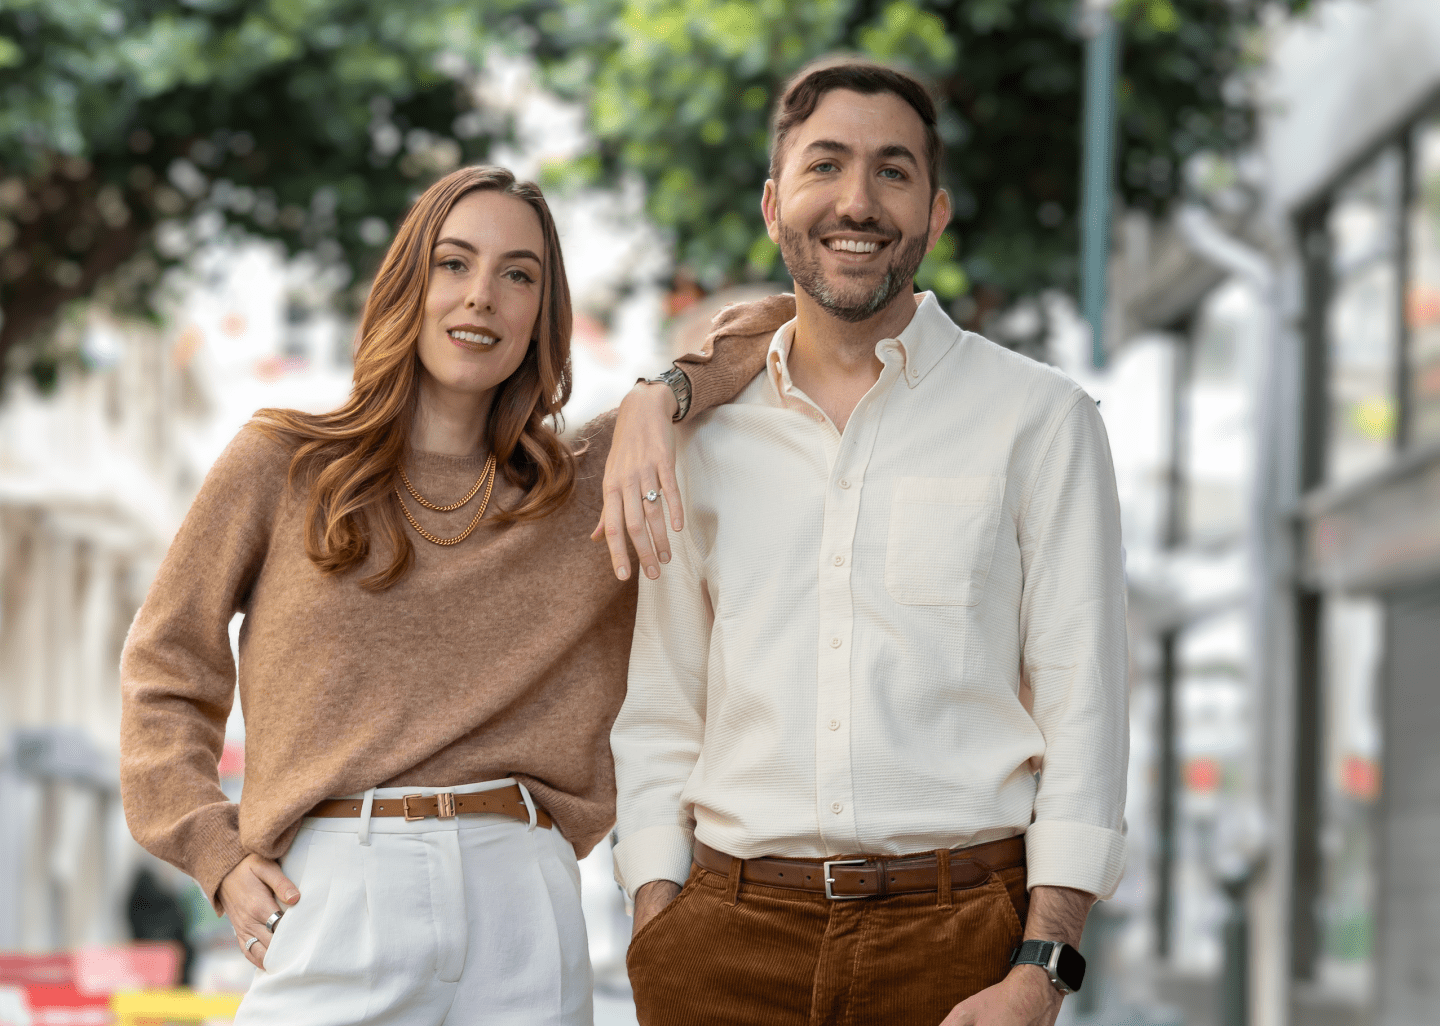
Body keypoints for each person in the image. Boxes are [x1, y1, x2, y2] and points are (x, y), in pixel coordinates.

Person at [119, 165, 767, 1025]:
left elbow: (781, 322)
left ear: (544, 312)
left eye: (518, 275)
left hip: (523, 897)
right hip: (338, 888)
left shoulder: (582, 485)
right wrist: (216, 853)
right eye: (453, 264)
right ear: (408, 284)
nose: (482, 298)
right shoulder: (285, 463)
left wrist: (661, 396)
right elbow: (165, 671)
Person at [611, 58, 1129, 1026]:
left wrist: (1042, 967)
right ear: (775, 206)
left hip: (958, 946)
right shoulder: (700, 441)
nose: (858, 200)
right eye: (826, 167)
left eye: (893, 171)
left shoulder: (1041, 420)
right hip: (722, 947)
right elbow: (661, 707)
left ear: (935, 214)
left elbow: (1085, 711)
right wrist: (657, 920)